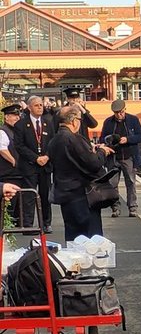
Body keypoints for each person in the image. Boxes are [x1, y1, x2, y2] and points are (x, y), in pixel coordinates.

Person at [47, 106, 115, 241]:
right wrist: (102, 152)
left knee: (73, 237)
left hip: (65, 194)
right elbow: (93, 163)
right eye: (79, 119)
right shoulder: (74, 138)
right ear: (73, 121)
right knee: (90, 237)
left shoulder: (53, 141)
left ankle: (75, 261)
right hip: (81, 194)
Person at [13, 96, 55, 233]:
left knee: (45, 195)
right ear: (29, 108)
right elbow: (19, 145)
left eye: (41, 105)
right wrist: (36, 158)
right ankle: (28, 224)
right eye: (36, 105)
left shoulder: (48, 123)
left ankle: (46, 223)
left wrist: (47, 156)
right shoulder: (21, 124)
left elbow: (53, 142)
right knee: (29, 196)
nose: (40, 107)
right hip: (30, 165)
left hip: (45, 165)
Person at [101, 99, 141, 217]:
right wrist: (108, 140)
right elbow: (102, 138)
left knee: (130, 182)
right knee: (112, 183)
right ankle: (115, 207)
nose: (119, 115)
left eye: (121, 112)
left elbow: (140, 136)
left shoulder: (133, 120)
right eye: (116, 113)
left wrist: (128, 139)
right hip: (113, 157)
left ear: (125, 109)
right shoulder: (108, 122)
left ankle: (132, 207)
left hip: (128, 156)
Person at [0, 104, 23, 225]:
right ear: (7, 117)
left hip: (17, 173)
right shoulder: (3, 131)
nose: (17, 118)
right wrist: (13, 160)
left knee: (17, 200)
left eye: (18, 115)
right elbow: (2, 149)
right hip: (8, 173)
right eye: (14, 116)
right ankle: (8, 223)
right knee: (9, 201)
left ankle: (16, 222)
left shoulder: (16, 130)